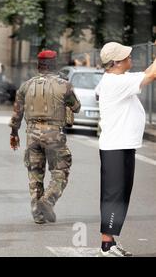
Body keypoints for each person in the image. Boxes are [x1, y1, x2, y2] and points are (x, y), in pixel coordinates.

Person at [95, 42, 156, 257]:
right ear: (116, 63)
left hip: (121, 145)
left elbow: (148, 71)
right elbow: (152, 75)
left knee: (119, 195)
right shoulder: (114, 83)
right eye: (127, 56)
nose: (131, 58)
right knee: (114, 195)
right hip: (116, 147)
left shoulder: (118, 79)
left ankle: (110, 242)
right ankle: (106, 245)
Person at [9, 50, 80, 225]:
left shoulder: (26, 86)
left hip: (32, 134)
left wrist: (14, 133)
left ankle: (37, 213)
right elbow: (76, 107)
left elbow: (17, 114)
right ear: (54, 65)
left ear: (38, 66)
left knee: (35, 174)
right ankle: (48, 201)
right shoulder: (64, 85)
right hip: (54, 134)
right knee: (60, 171)